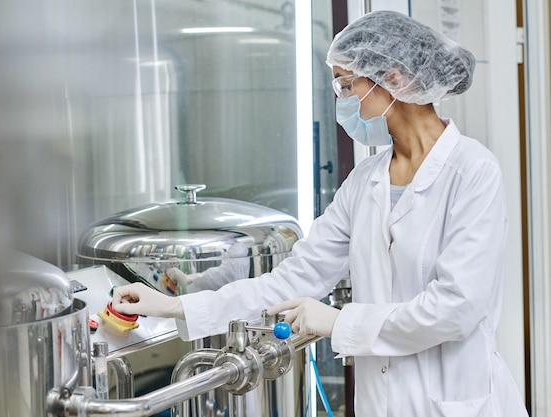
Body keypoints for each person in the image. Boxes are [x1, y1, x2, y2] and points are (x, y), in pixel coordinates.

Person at [111, 10, 529, 417]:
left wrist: (339, 321)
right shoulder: (365, 181)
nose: (343, 103)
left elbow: (455, 309)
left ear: (394, 80)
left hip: (455, 402)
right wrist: (174, 307)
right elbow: (292, 279)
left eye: (348, 86)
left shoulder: (474, 172)